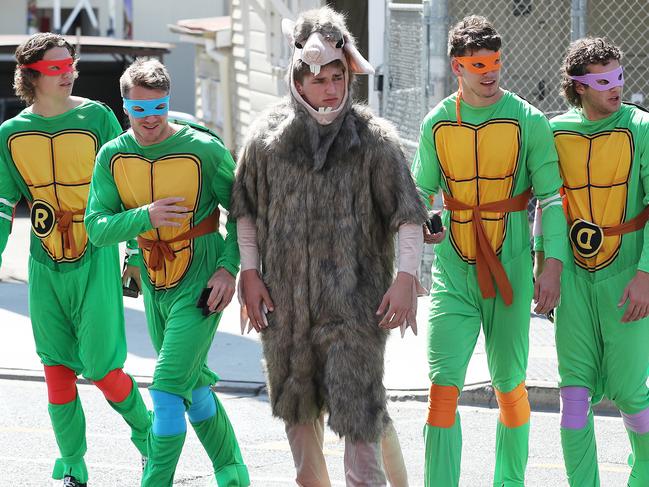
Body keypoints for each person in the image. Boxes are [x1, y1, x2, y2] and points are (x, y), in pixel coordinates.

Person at [230, 6, 427, 486]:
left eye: (339, 77)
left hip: (356, 310)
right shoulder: (266, 140)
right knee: (300, 422)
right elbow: (246, 212)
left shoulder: (375, 141)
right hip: (285, 308)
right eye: (320, 80)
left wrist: (406, 277)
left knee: (360, 417)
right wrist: (250, 274)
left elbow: (407, 215)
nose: (331, 89)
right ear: (297, 78)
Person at [412, 15, 568, 486]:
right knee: (442, 390)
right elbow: (419, 195)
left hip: (513, 267)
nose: (490, 71)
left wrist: (552, 266)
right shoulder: (437, 122)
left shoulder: (529, 120)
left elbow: (554, 199)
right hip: (453, 274)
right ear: (458, 67)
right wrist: (425, 223)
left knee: (510, 387)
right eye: (478, 64)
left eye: (495, 61)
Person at [84, 58, 249, 486]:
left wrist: (229, 269)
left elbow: (246, 213)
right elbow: (96, 228)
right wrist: (146, 217)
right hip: (154, 284)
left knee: (165, 388)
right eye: (140, 110)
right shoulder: (112, 157)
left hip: (202, 282)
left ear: (168, 103)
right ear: (125, 107)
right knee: (191, 387)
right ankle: (233, 473)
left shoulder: (204, 149)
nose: (151, 119)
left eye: (159, 107)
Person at [0, 33, 150, 487]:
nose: (68, 72)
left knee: (103, 368)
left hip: (96, 255)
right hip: (44, 262)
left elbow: (126, 186)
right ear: (31, 74)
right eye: (56, 67)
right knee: (56, 369)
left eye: (71, 64)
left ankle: (151, 441)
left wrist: (134, 253)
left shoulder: (97, 117)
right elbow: (3, 207)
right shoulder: (10, 134)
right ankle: (72, 464)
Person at [534, 37, 649, 486]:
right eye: (603, 80)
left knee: (628, 391)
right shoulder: (555, 131)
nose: (615, 87)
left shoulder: (640, 128)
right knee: (574, 393)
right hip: (575, 279)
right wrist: (545, 266)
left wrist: (645, 275)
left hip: (627, 273)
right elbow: (547, 203)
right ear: (578, 86)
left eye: (618, 76)